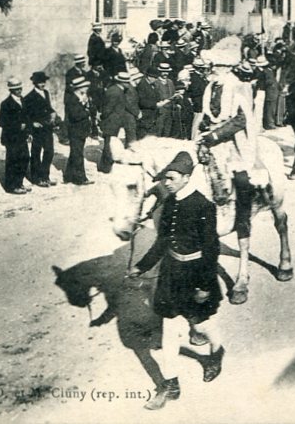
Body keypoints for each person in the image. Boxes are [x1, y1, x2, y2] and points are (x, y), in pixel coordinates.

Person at [127, 151, 225, 410]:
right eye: (165, 179)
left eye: (171, 178)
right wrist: (141, 266)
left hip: (196, 276)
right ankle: (171, 384)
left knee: (202, 325)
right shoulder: (169, 203)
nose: (166, 183)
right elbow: (162, 242)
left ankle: (216, 353)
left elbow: (211, 249)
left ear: (186, 177)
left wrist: (204, 286)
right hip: (171, 274)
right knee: (170, 329)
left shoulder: (203, 206)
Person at [199, 62, 259, 285]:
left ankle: (243, 221)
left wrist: (215, 136)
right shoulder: (212, 86)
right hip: (211, 137)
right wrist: (205, 130)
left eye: (215, 67)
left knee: (241, 180)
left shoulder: (237, 86)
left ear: (225, 68)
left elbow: (241, 119)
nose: (211, 70)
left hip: (234, 143)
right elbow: (208, 114)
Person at [0, 79, 32, 195]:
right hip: (11, 137)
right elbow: (1, 122)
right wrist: (17, 125)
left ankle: (19, 182)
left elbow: (27, 117)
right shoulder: (6, 104)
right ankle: (11, 186)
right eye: (16, 89)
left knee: (25, 158)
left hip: (22, 137)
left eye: (20, 89)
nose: (19, 91)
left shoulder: (23, 100)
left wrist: (28, 132)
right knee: (13, 161)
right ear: (11, 90)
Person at [24, 72, 58, 187]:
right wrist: (32, 123)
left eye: (43, 82)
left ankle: (45, 176)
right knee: (36, 153)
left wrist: (53, 113)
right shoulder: (29, 97)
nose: (42, 84)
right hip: (37, 130)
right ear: (35, 83)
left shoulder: (46, 93)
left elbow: (48, 108)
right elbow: (25, 115)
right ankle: (36, 178)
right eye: (39, 82)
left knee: (49, 151)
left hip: (47, 127)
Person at [98, 73, 133, 174]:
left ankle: (104, 165)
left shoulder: (117, 90)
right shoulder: (115, 92)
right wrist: (103, 117)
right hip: (111, 121)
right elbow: (107, 108)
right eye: (126, 82)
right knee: (108, 144)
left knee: (109, 143)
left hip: (114, 121)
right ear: (122, 82)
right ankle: (105, 167)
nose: (128, 83)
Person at [63, 77, 95, 185]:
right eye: (85, 87)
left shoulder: (81, 98)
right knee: (78, 154)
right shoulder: (72, 99)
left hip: (81, 130)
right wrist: (86, 110)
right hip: (75, 130)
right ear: (79, 88)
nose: (87, 88)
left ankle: (68, 176)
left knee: (75, 153)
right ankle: (80, 178)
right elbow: (75, 115)